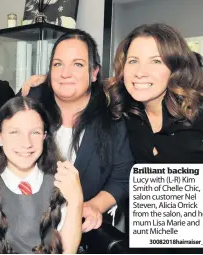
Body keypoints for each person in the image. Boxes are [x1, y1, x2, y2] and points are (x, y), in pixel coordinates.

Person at [20, 29, 134, 232]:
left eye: (78, 64)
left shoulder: (112, 115)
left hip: (83, 232)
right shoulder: (28, 103)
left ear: (94, 72)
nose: (65, 73)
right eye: (58, 64)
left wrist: (95, 206)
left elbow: (122, 176)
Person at [0, 96, 83, 254]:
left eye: (35, 132)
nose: (26, 143)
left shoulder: (62, 179)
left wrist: (76, 202)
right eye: (14, 132)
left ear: (45, 137)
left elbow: (67, 251)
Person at [104, 23, 203, 163]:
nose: (140, 72)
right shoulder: (121, 114)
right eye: (133, 61)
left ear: (175, 68)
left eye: (155, 61)